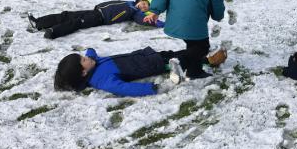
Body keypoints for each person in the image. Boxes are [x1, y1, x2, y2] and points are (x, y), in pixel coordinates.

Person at [54, 45, 226, 97]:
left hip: (145, 56)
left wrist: (90, 51)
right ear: (83, 73)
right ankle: (208, 59)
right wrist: (153, 88)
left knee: (173, 52)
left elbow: (92, 55)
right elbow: (124, 88)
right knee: (180, 59)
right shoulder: (102, 80)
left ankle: (201, 47)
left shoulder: (93, 65)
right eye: (84, 60)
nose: (87, 58)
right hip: (151, 65)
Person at [27, 0, 163, 39]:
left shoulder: (135, 13)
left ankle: (52, 32)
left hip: (100, 19)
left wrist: (160, 23)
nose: (144, 7)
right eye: (144, 3)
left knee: (77, 23)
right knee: (67, 15)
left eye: (146, 8)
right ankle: (39, 22)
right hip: (95, 11)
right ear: (140, 0)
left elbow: (143, 19)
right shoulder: (128, 2)